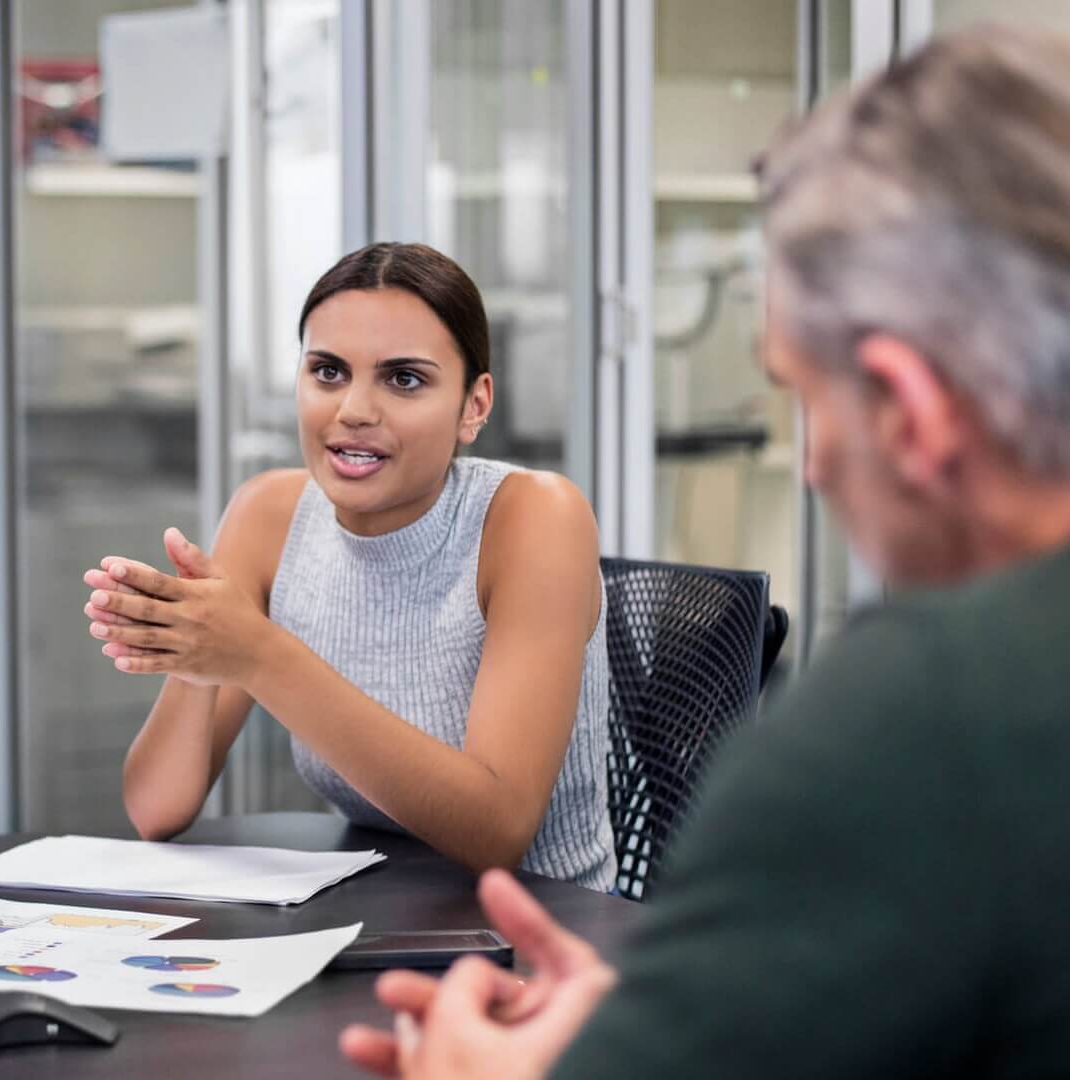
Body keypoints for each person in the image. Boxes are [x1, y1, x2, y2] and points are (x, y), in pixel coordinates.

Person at [340, 24, 1070, 1079]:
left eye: (807, 397)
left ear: (910, 411)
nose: (813, 468)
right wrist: (687, 1017)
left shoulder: (927, 716)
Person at [89, 242, 615, 889]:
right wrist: (199, 661)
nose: (354, 411)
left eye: (404, 379)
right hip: (379, 918)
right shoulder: (267, 513)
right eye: (329, 372)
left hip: (544, 941)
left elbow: (497, 830)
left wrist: (257, 654)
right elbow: (155, 811)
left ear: (474, 405)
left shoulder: (535, 517)